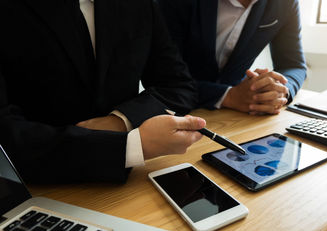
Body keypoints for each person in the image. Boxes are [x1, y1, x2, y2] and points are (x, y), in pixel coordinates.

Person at [0, 0, 205, 183]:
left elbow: (178, 85)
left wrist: (121, 120)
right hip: (34, 190)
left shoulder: (140, 5)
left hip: (128, 189)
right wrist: (131, 147)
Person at [158, 0, 307, 115]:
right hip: (172, 110)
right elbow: (162, 75)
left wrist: (280, 90)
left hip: (235, 115)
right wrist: (229, 96)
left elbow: (294, 65)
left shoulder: (286, 4)